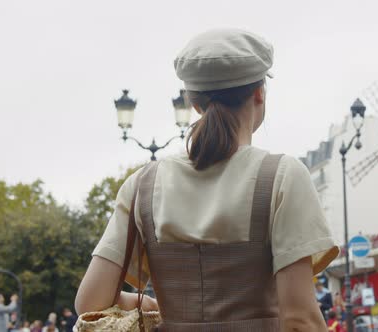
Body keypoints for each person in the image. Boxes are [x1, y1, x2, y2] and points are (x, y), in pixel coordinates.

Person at [75, 29, 339, 331]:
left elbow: (90, 303)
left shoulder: (142, 186)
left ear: (194, 103)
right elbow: (300, 318)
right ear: (259, 93)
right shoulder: (282, 176)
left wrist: (150, 305)